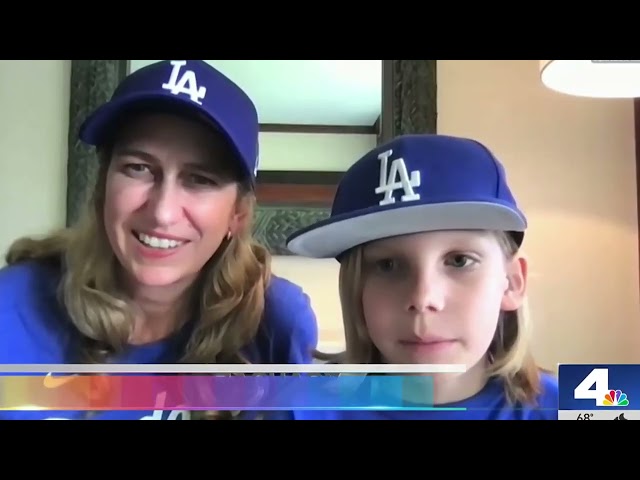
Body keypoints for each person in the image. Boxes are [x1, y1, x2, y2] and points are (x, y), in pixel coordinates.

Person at [0, 60, 318, 420]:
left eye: (200, 179)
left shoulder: (274, 322)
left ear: (237, 215)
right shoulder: (10, 309)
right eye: (138, 168)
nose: (162, 212)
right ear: (103, 187)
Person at [284, 133, 558, 420]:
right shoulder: (297, 410)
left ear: (512, 283)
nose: (422, 297)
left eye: (459, 260)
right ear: (356, 291)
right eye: (388, 265)